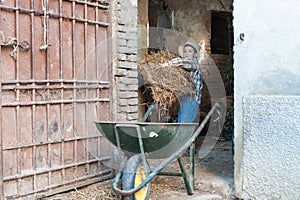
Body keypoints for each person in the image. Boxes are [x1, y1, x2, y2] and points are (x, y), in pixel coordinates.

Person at [161, 41, 202, 123]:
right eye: (185, 51)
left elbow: (183, 61)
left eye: (190, 51)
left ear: (195, 55)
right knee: (181, 119)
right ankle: (182, 135)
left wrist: (167, 64)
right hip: (186, 97)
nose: (187, 53)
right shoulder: (186, 67)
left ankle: (184, 135)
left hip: (192, 98)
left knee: (185, 121)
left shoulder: (194, 63)